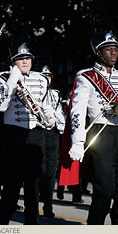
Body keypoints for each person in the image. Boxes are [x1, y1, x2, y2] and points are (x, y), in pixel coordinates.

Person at [66, 31, 118, 225]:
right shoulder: (86, 76)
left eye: (116, 49)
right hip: (100, 134)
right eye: (109, 50)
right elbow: (77, 111)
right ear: (98, 53)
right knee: (104, 191)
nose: (114, 53)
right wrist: (78, 141)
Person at [0, 42, 50, 224]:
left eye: (27, 58)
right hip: (14, 136)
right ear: (13, 61)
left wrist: (50, 118)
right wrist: (12, 80)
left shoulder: (41, 79)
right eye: (20, 59)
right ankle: (3, 222)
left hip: (36, 134)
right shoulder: (3, 77)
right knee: (12, 184)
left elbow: (46, 105)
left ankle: (31, 224)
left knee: (33, 186)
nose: (24, 61)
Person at [39, 65, 66, 218]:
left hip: (53, 134)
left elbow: (58, 113)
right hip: (40, 131)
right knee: (39, 170)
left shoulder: (55, 94)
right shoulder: (34, 91)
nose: (47, 79)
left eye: (49, 76)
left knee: (51, 172)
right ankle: (33, 204)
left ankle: (48, 205)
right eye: (44, 76)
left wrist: (59, 122)